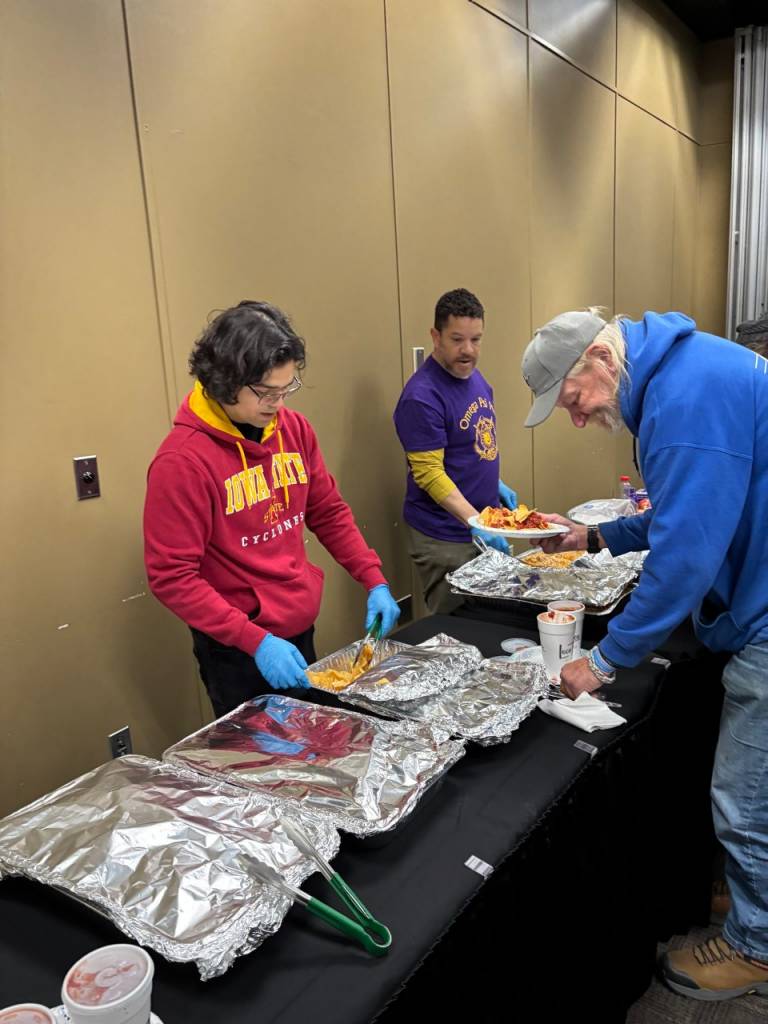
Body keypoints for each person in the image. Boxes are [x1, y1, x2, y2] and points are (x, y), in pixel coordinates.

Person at [520, 308, 768, 1002]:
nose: (576, 418)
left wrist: (603, 661)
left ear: (600, 357)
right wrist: (597, 540)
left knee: (745, 795)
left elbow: (686, 556)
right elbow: (689, 510)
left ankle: (758, 949)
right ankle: (749, 900)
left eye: (573, 401)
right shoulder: (683, 374)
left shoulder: (684, 399)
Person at [144, 300, 400, 718]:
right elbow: (171, 577)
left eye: (287, 388)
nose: (278, 403)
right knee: (261, 769)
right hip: (236, 647)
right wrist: (255, 641)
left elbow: (328, 511)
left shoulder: (294, 431)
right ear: (225, 382)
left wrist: (373, 579)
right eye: (266, 392)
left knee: (308, 745)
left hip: (296, 629)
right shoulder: (182, 463)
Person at [393, 288, 519, 613]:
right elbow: (429, 473)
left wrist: (495, 483)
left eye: (476, 340)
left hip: (481, 525)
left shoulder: (475, 378)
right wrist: (475, 520)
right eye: (457, 339)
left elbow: (474, 443)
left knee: (497, 617)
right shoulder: (422, 397)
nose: (468, 351)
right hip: (445, 537)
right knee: (459, 627)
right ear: (435, 336)